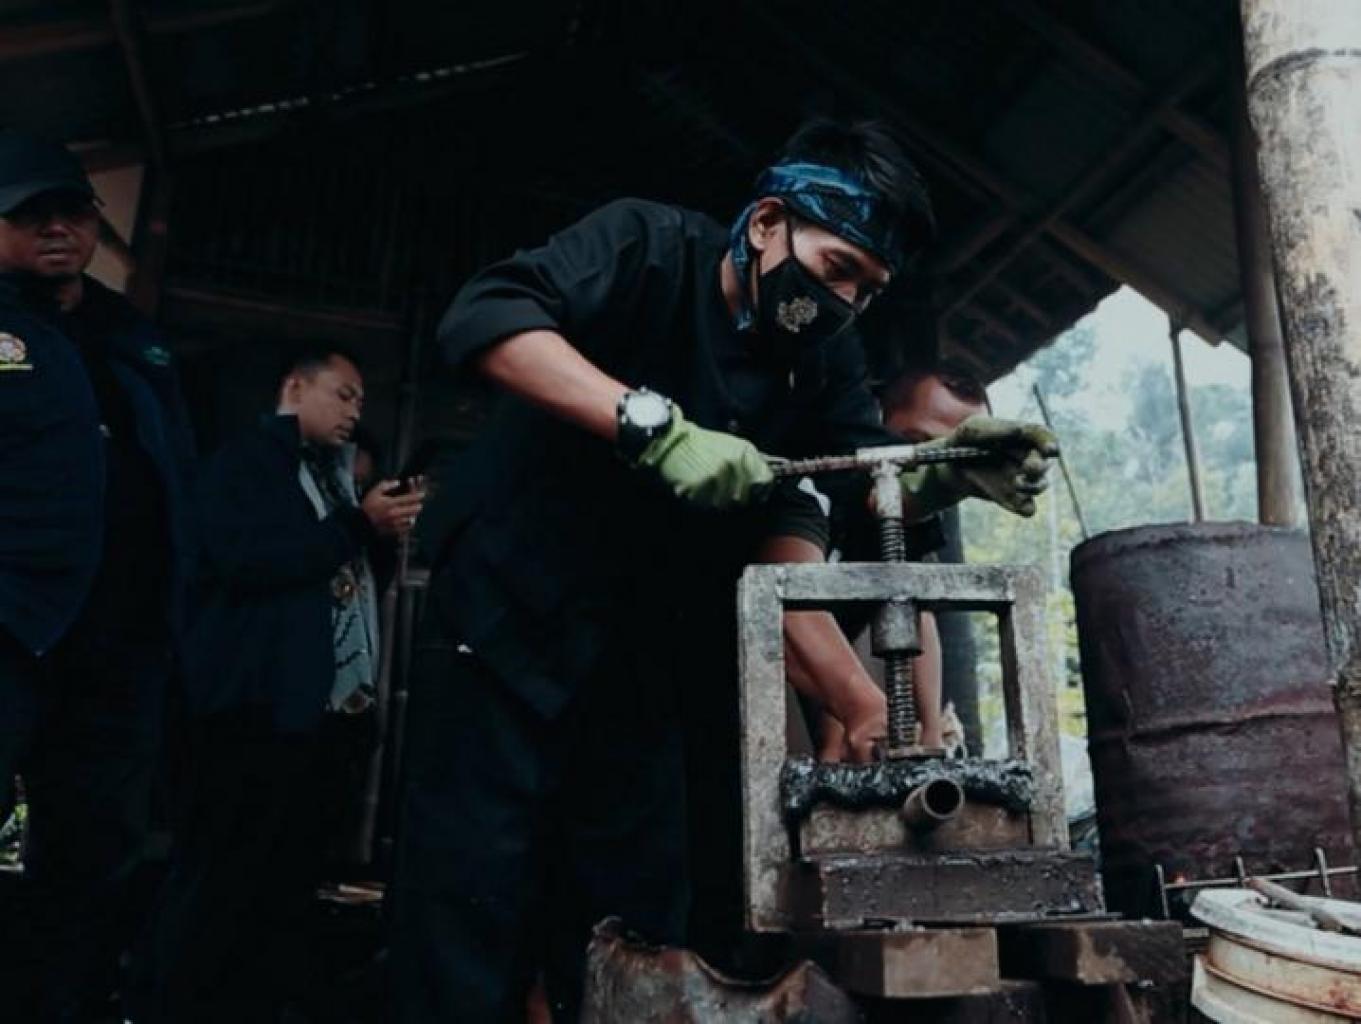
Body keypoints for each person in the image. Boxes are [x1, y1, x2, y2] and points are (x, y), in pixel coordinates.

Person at [389, 117, 1057, 1021]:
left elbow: (847, 486)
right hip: (506, 619)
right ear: (767, 222)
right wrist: (648, 425)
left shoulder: (823, 358)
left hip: (643, 648)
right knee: (471, 888)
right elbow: (487, 315)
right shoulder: (646, 248)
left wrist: (944, 475)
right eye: (835, 269)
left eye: (866, 289)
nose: (843, 303)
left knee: (632, 901)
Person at [138, 346, 424, 1023]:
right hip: (253, 707)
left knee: (284, 885)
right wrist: (358, 524)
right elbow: (252, 560)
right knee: (219, 875)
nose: (354, 410)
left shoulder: (334, 477)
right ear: (295, 387)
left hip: (320, 717)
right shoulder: (247, 464)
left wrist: (377, 533)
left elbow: (343, 584)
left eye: (361, 400)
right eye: (342, 394)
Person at [0, 130, 196, 1021]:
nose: (57, 230)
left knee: (94, 854)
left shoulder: (133, 336)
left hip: (120, 643)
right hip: (15, 631)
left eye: (72, 213)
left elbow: (174, 468)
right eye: (31, 214)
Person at [770, 359, 990, 759]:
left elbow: (919, 613)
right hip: (756, 655)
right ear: (876, 420)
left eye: (947, 459)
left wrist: (932, 736)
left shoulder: (915, 520)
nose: (926, 468)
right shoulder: (813, 484)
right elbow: (790, 607)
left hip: (836, 669)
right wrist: (857, 711)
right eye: (916, 442)